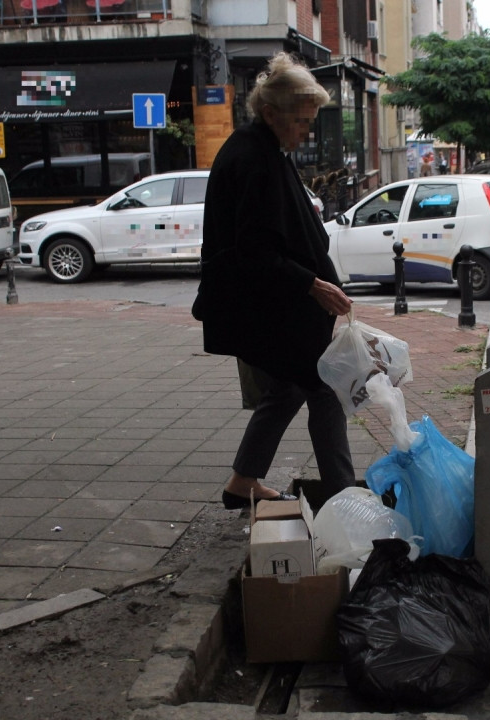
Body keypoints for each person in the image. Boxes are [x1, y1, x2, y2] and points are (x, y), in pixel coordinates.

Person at [192, 52, 355, 510]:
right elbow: (255, 251)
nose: (307, 132)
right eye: (302, 122)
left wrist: (321, 282)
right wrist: (315, 285)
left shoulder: (265, 149)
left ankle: (242, 482)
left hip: (272, 306)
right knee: (324, 388)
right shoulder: (254, 159)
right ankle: (343, 496)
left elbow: (292, 232)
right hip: (266, 308)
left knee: (286, 389)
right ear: (270, 113)